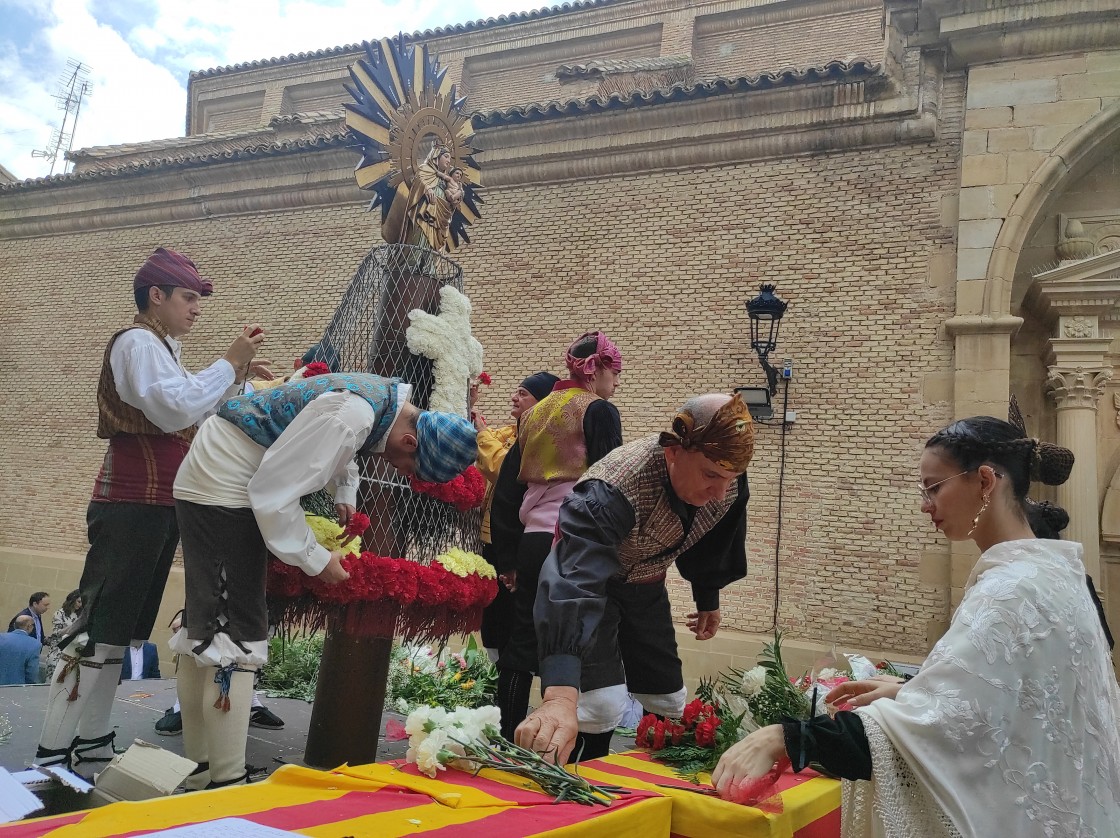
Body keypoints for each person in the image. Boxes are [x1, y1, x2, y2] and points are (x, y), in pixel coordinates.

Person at [712, 416, 1120, 837]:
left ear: (984, 481)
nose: (926, 505)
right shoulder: (1055, 575)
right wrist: (913, 693)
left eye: (934, 487)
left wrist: (786, 738)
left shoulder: (1011, 591)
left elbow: (936, 738)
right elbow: (1028, 704)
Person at [170, 372, 477, 789]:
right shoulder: (352, 416)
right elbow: (273, 492)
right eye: (407, 465)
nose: (398, 469)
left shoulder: (380, 400)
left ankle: (202, 766)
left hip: (215, 478)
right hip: (226, 488)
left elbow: (334, 442)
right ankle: (224, 780)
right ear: (410, 442)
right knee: (235, 637)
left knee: (206, 629)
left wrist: (345, 493)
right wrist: (316, 559)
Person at [36, 247, 267, 770]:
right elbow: (173, 407)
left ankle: (91, 737)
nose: (196, 308)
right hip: (129, 502)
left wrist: (236, 381)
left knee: (121, 630)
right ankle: (53, 745)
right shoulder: (137, 341)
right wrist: (228, 363)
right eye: (188, 297)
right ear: (155, 296)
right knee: (98, 626)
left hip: (158, 504)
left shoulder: (163, 348)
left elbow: (194, 404)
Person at [515, 392, 754, 762]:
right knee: (597, 705)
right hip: (594, 585)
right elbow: (573, 580)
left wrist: (708, 597)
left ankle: (663, 785)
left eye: (730, 478)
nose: (720, 492)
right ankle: (581, 777)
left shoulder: (727, 483)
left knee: (668, 696)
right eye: (711, 476)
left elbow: (718, 540)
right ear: (674, 452)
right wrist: (560, 695)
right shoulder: (611, 488)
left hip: (646, 586)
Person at [496, 332, 624, 740]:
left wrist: (508, 558)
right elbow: (609, 480)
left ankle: (507, 736)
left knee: (521, 643)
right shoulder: (600, 411)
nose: (617, 382)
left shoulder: (534, 414)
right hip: (576, 542)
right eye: (615, 371)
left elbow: (507, 489)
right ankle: (577, 744)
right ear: (596, 369)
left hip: (532, 541)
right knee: (581, 637)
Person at [475, 372, 559, 661]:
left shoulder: (543, 439)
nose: (514, 397)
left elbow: (502, 469)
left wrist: (482, 434)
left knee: (512, 613)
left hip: (521, 540)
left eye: (523, 393)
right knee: (494, 612)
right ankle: (500, 675)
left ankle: (512, 675)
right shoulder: (511, 433)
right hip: (493, 537)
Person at [45, 591, 83, 679]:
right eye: (78, 601)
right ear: (72, 600)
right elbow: (57, 632)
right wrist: (71, 627)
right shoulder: (60, 613)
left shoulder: (80, 615)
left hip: (72, 649)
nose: (80, 605)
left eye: (82, 602)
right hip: (58, 649)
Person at [0, 616, 42, 685]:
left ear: (14, 625)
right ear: (29, 627)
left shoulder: (1, 638)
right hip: (18, 688)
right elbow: (32, 673)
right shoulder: (35, 644)